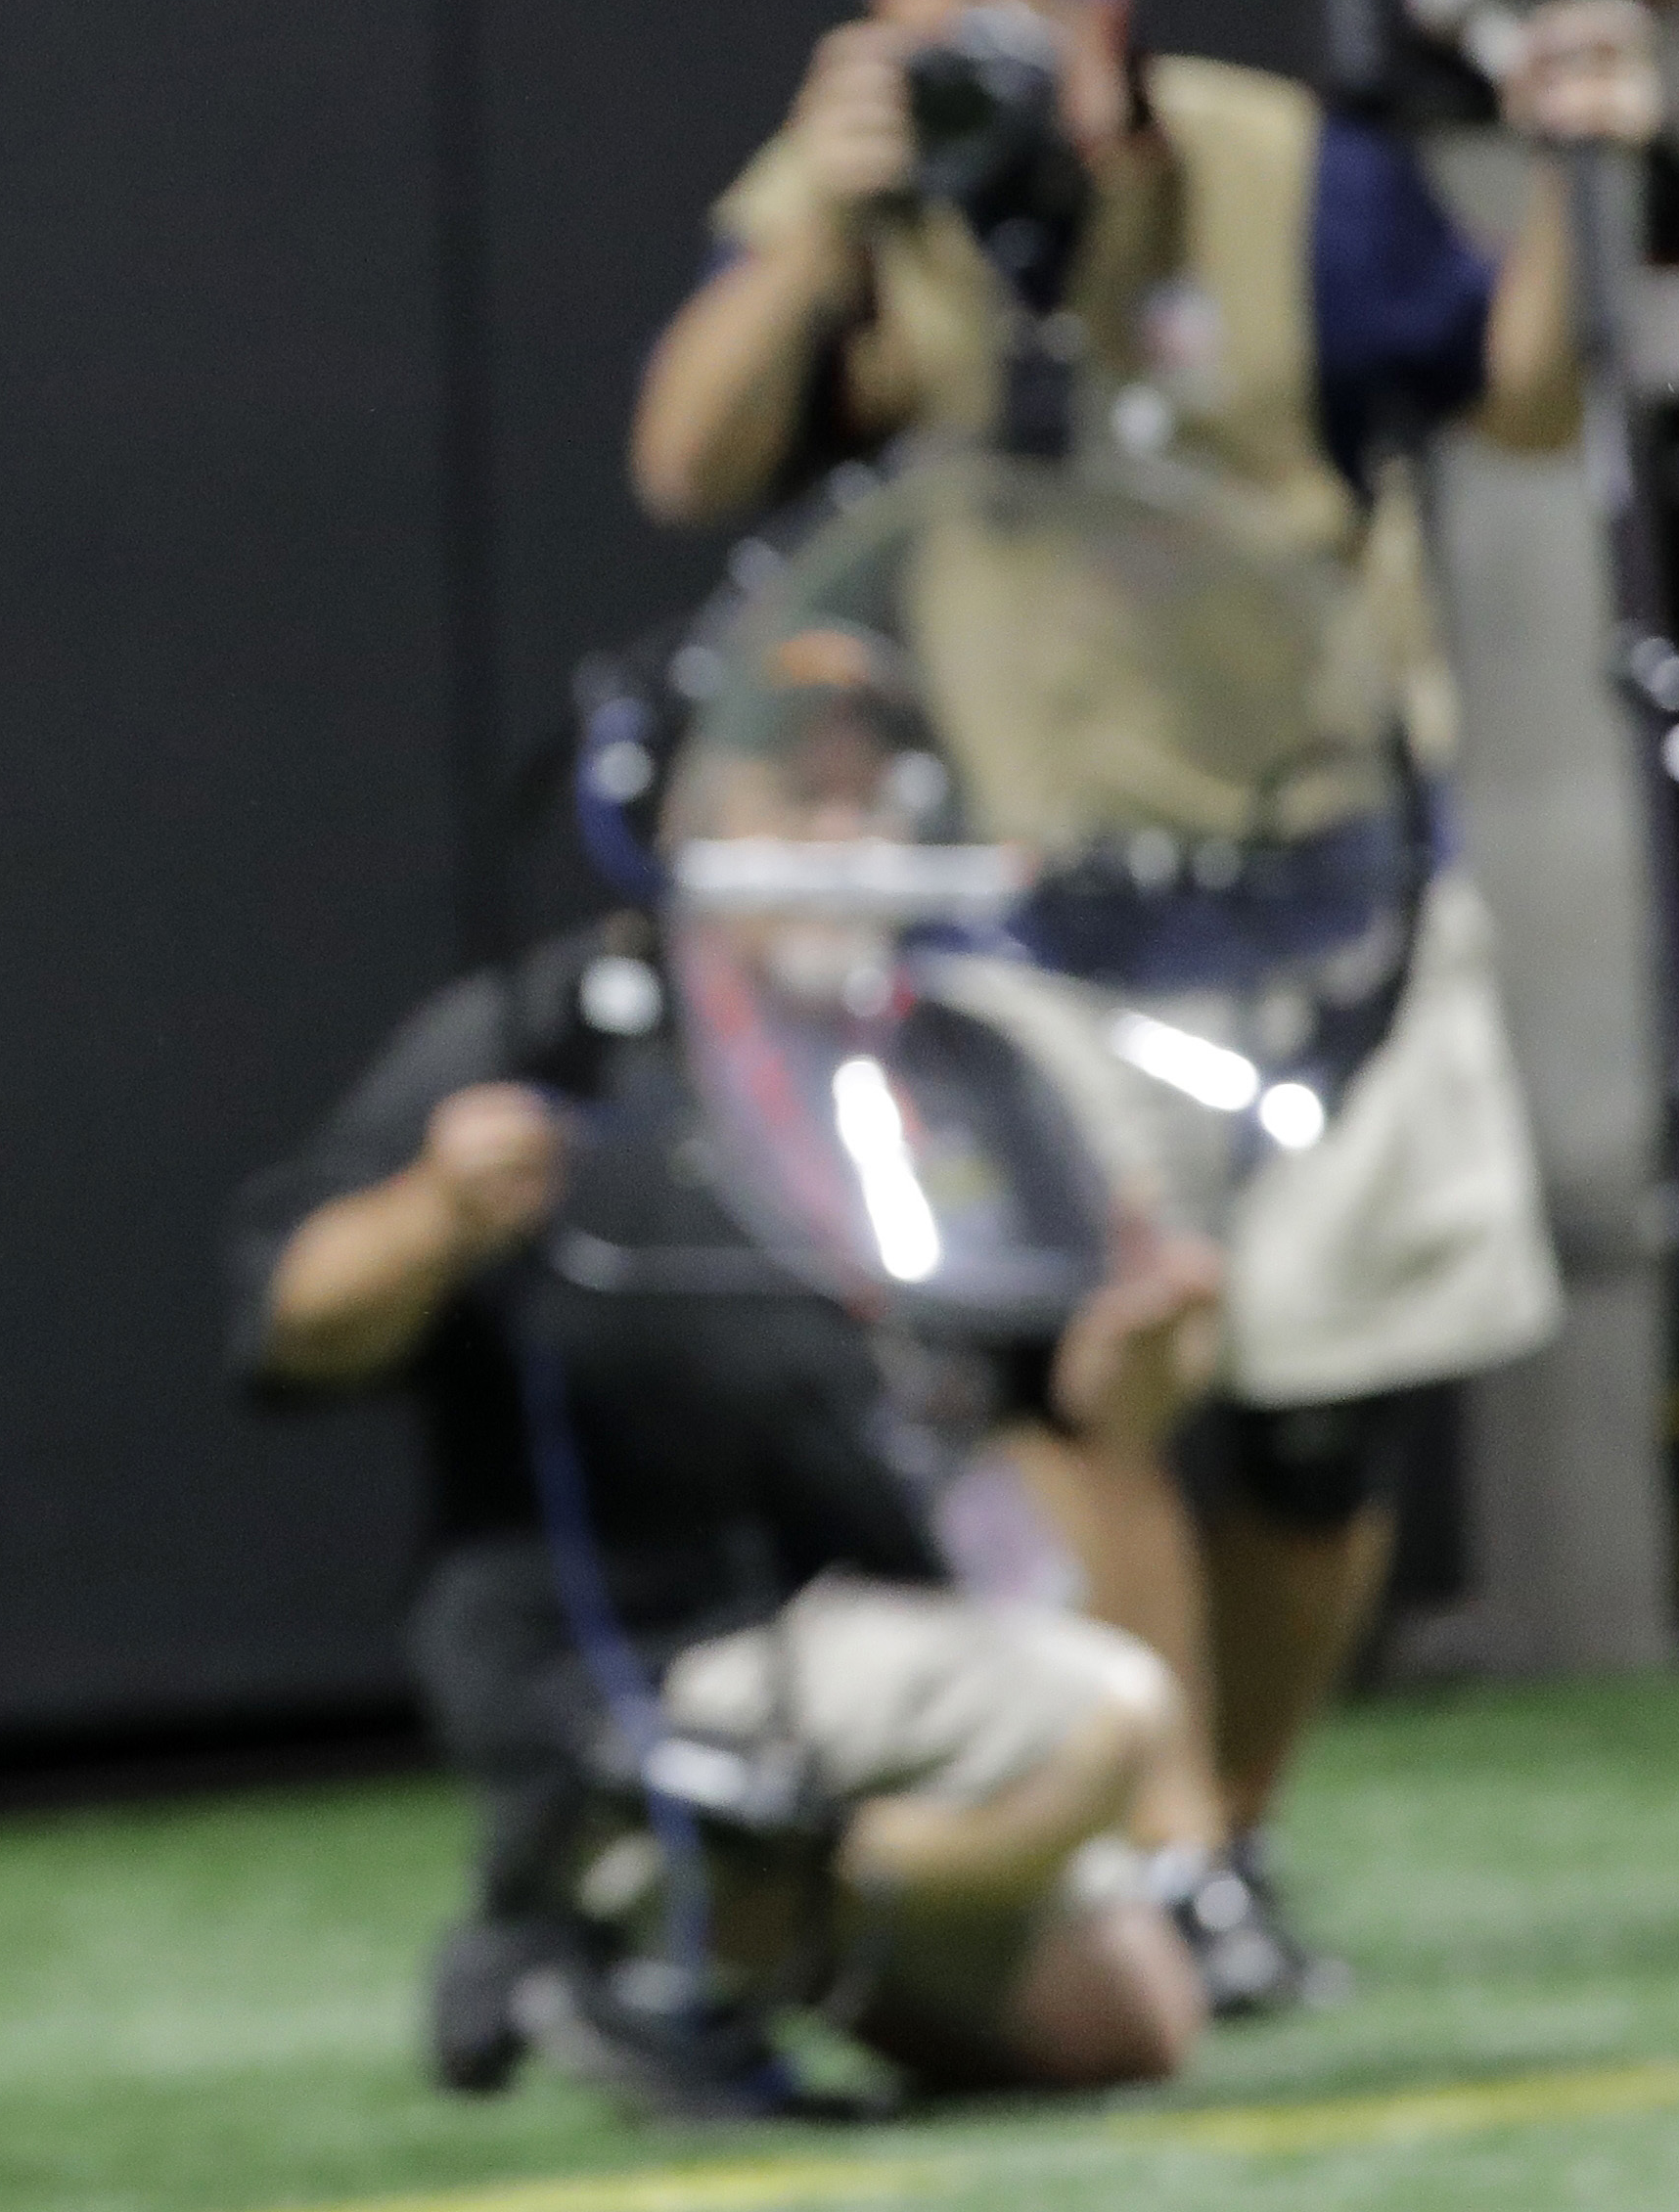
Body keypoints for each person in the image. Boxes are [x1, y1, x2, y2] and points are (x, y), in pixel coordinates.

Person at [626, 0, 1626, 2008]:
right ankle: (1163, 1838)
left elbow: (1523, 400)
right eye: (928, 17)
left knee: (1311, 1432)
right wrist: (813, 201)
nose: (979, 52)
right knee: (1090, 1391)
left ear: (1111, 16)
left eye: (1018, 13)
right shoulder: (872, 224)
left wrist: (1568, 171)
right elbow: (685, 465)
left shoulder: (1283, 180)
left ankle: (1224, 1839)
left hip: (1320, 886)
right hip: (1035, 909)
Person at [231, 891, 1224, 2109]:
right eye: (794, 784)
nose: (834, 824)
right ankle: (661, 1914)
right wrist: (433, 1212)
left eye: (863, 779)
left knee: (1124, 2025)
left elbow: (1074, 1413)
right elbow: (284, 1327)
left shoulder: (934, 1048)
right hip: (638, 1659)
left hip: (873, 1623)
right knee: (1101, 1719)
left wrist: (1144, 1357)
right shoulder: (548, 1029)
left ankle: (666, 1940)